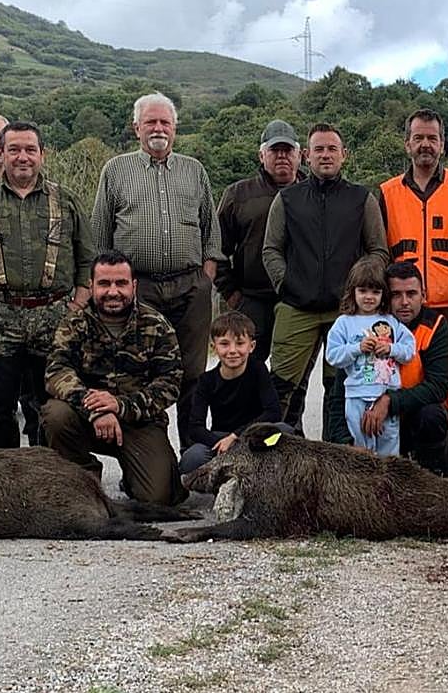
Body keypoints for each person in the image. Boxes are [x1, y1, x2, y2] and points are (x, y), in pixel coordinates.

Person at [0, 121, 94, 448]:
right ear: (2, 153)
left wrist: (77, 306)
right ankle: (7, 481)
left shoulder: (66, 200)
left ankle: (50, 475)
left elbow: (87, 258)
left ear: (42, 154)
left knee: (51, 405)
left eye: (30, 149)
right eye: (13, 149)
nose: (22, 157)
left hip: (55, 314)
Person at [91, 92, 223, 449]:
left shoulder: (194, 170)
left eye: (165, 122)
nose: (158, 128)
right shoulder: (116, 170)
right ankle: (153, 453)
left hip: (190, 287)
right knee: (142, 372)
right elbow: (101, 235)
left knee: (192, 373)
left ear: (175, 128)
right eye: (151, 122)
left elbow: (211, 230)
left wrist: (206, 277)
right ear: (137, 128)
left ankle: (190, 451)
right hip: (140, 289)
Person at [263, 123, 389, 441]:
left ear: (344, 155)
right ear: (306, 156)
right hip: (296, 306)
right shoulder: (287, 199)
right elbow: (271, 249)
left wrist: (358, 289)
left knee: (341, 390)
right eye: (318, 149)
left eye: (332, 149)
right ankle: (281, 455)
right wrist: (286, 284)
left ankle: (336, 460)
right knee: (281, 388)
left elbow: (378, 251)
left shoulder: (362, 199)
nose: (325, 155)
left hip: (345, 312)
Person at [41, 250, 187, 505]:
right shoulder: (74, 323)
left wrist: (121, 406)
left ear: (134, 286)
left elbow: (169, 384)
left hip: (139, 421)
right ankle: (83, 477)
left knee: (159, 498)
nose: (112, 291)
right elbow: (56, 372)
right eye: (104, 284)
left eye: (120, 283)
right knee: (55, 414)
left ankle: (134, 476)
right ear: (91, 286)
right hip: (86, 418)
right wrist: (96, 408)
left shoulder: (156, 324)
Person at [378, 108, 448, 354]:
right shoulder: (387, 192)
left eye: (432, 138)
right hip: (402, 305)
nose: (425, 144)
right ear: (407, 144)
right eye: (418, 138)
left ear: (442, 145)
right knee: (403, 378)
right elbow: (377, 248)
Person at [215, 119, 304, 365]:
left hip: (298, 302)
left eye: (288, 150)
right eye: (275, 150)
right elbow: (216, 247)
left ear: (300, 155)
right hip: (251, 300)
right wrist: (232, 294)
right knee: (245, 371)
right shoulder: (237, 194)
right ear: (261, 155)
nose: (282, 156)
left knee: (291, 377)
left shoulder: (313, 194)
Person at [360, 263, 448, 475]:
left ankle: (431, 475)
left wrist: (390, 401)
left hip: (412, 414)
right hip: (370, 415)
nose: (404, 302)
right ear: (386, 298)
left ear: (424, 295)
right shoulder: (365, 326)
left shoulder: (435, 326)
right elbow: (341, 386)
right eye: (396, 295)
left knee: (433, 414)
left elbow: (438, 387)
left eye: (411, 294)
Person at [325, 259, 417, 456]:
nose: (369, 297)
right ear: (353, 292)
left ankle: (388, 484)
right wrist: (357, 348)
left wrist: (391, 349)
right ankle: (364, 485)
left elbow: (409, 350)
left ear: (383, 294)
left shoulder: (391, 321)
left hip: (385, 394)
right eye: (363, 291)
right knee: (362, 451)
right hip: (356, 395)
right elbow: (332, 356)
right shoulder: (344, 323)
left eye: (375, 292)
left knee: (389, 448)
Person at [179, 312, 285, 476]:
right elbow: (195, 427)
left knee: (285, 431)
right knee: (192, 458)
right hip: (221, 439)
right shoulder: (206, 380)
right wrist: (221, 443)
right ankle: (226, 475)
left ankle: (265, 475)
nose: (233, 351)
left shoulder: (258, 370)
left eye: (240, 343)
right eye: (224, 344)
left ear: (252, 346)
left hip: (254, 436)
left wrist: (237, 437)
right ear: (214, 347)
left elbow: (273, 411)